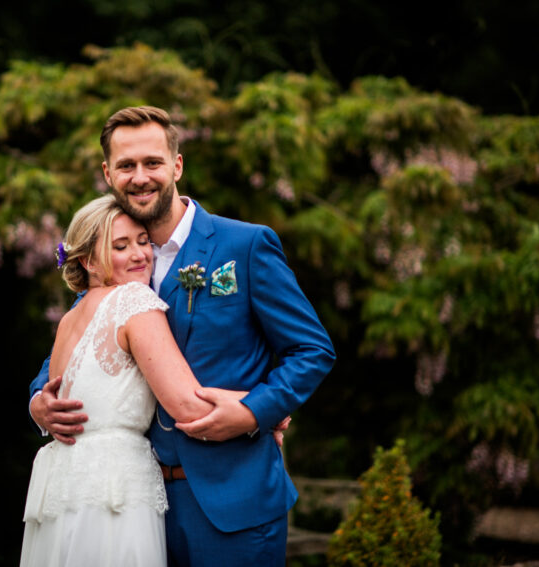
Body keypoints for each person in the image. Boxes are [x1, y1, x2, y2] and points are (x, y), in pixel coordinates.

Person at [29, 106, 336, 566]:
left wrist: (254, 411)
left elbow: (311, 349)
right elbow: (79, 349)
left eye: (152, 162)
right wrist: (39, 400)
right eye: (126, 165)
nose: (140, 177)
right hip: (133, 504)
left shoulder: (244, 245)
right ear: (108, 174)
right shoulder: (111, 263)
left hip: (233, 500)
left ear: (176, 165)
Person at [21, 195, 227, 566]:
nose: (140, 255)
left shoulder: (69, 320)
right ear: (88, 261)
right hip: (113, 489)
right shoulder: (134, 300)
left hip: (63, 485)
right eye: (121, 246)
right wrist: (259, 407)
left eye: (143, 241)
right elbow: (187, 406)